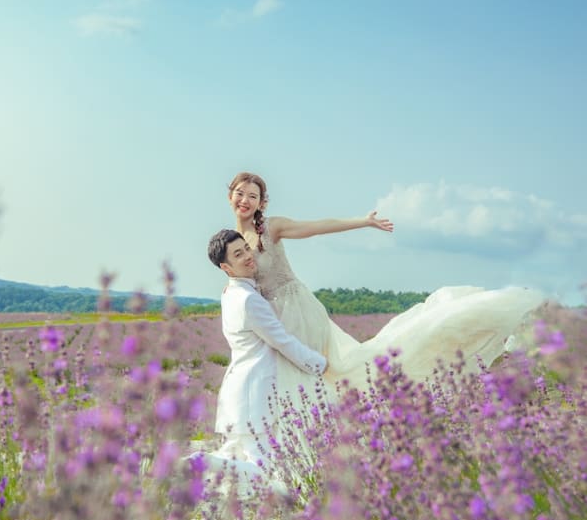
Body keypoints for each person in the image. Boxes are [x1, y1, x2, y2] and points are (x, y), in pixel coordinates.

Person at [226, 171, 545, 410]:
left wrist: (361, 221)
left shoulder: (272, 228)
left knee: (314, 373)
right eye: (240, 193)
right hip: (271, 317)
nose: (245, 200)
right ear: (231, 196)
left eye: (252, 196)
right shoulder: (231, 243)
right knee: (295, 376)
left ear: (261, 203)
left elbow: (317, 226)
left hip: (296, 310)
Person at [197, 228, 327, 495]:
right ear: (226, 267)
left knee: (241, 463)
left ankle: (205, 466)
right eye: (238, 254)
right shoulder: (248, 301)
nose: (247, 255)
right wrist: (320, 364)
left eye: (246, 248)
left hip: (239, 393)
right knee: (270, 474)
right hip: (254, 395)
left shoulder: (229, 295)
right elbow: (283, 341)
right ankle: (201, 462)